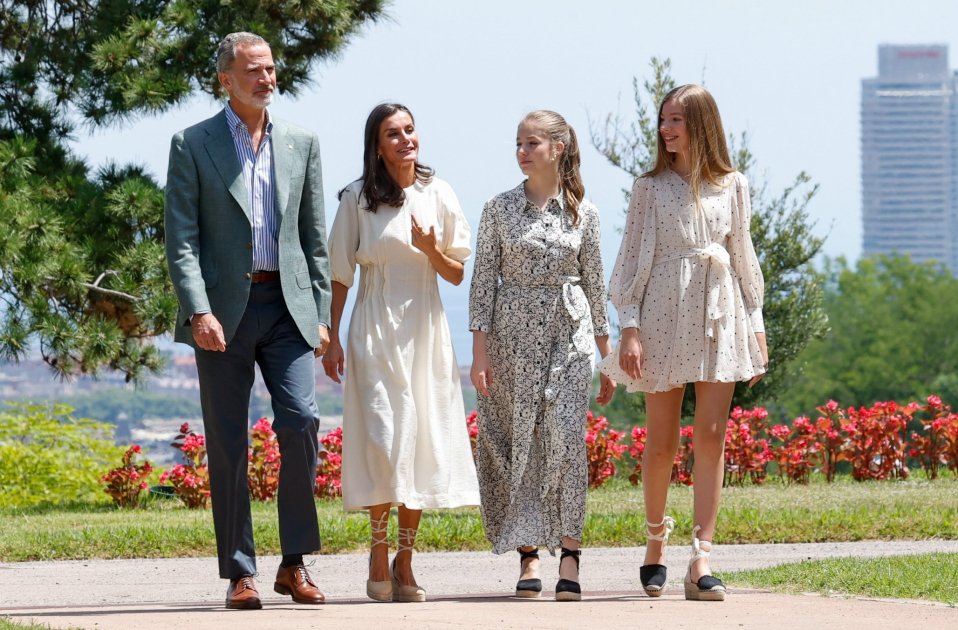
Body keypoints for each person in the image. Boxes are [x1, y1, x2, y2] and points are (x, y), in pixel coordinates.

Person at [164, 32, 331, 610]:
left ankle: (294, 563)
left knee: (302, 421)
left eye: (270, 68)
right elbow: (180, 240)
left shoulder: (301, 141)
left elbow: (314, 239)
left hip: (288, 309)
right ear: (226, 80)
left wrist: (322, 313)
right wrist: (198, 311)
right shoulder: (191, 144)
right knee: (229, 442)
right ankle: (240, 572)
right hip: (222, 316)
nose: (267, 78)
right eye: (253, 70)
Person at [601, 84, 769, 602]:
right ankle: (655, 545)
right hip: (660, 313)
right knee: (662, 440)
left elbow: (742, 254)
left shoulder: (734, 184)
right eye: (663, 120)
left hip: (722, 312)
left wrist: (758, 327)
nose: (666, 129)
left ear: (701, 123)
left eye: (677, 120)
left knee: (712, 437)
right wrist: (628, 326)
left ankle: (701, 559)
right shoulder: (648, 187)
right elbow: (629, 260)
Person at [323, 103, 480, 603]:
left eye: (410, 130)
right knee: (386, 438)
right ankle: (376, 550)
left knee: (419, 441)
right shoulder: (357, 199)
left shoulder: (439, 193)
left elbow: (456, 273)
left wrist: (431, 249)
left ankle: (405, 559)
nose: (406, 139)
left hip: (426, 328)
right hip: (374, 325)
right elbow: (340, 273)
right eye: (394, 133)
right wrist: (332, 335)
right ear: (377, 145)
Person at [469, 110, 615, 602]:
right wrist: (479, 352)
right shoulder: (497, 208)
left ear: (558, 148)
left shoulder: (585, 213)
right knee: (520, 440)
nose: (522, 151)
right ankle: (528, 552)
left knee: (568, 436)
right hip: (512, 339)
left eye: (532, 143)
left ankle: (570, 551)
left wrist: (606, 354)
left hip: (569, 334)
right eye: (518, 143)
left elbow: (595, 283)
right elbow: (482, 282)